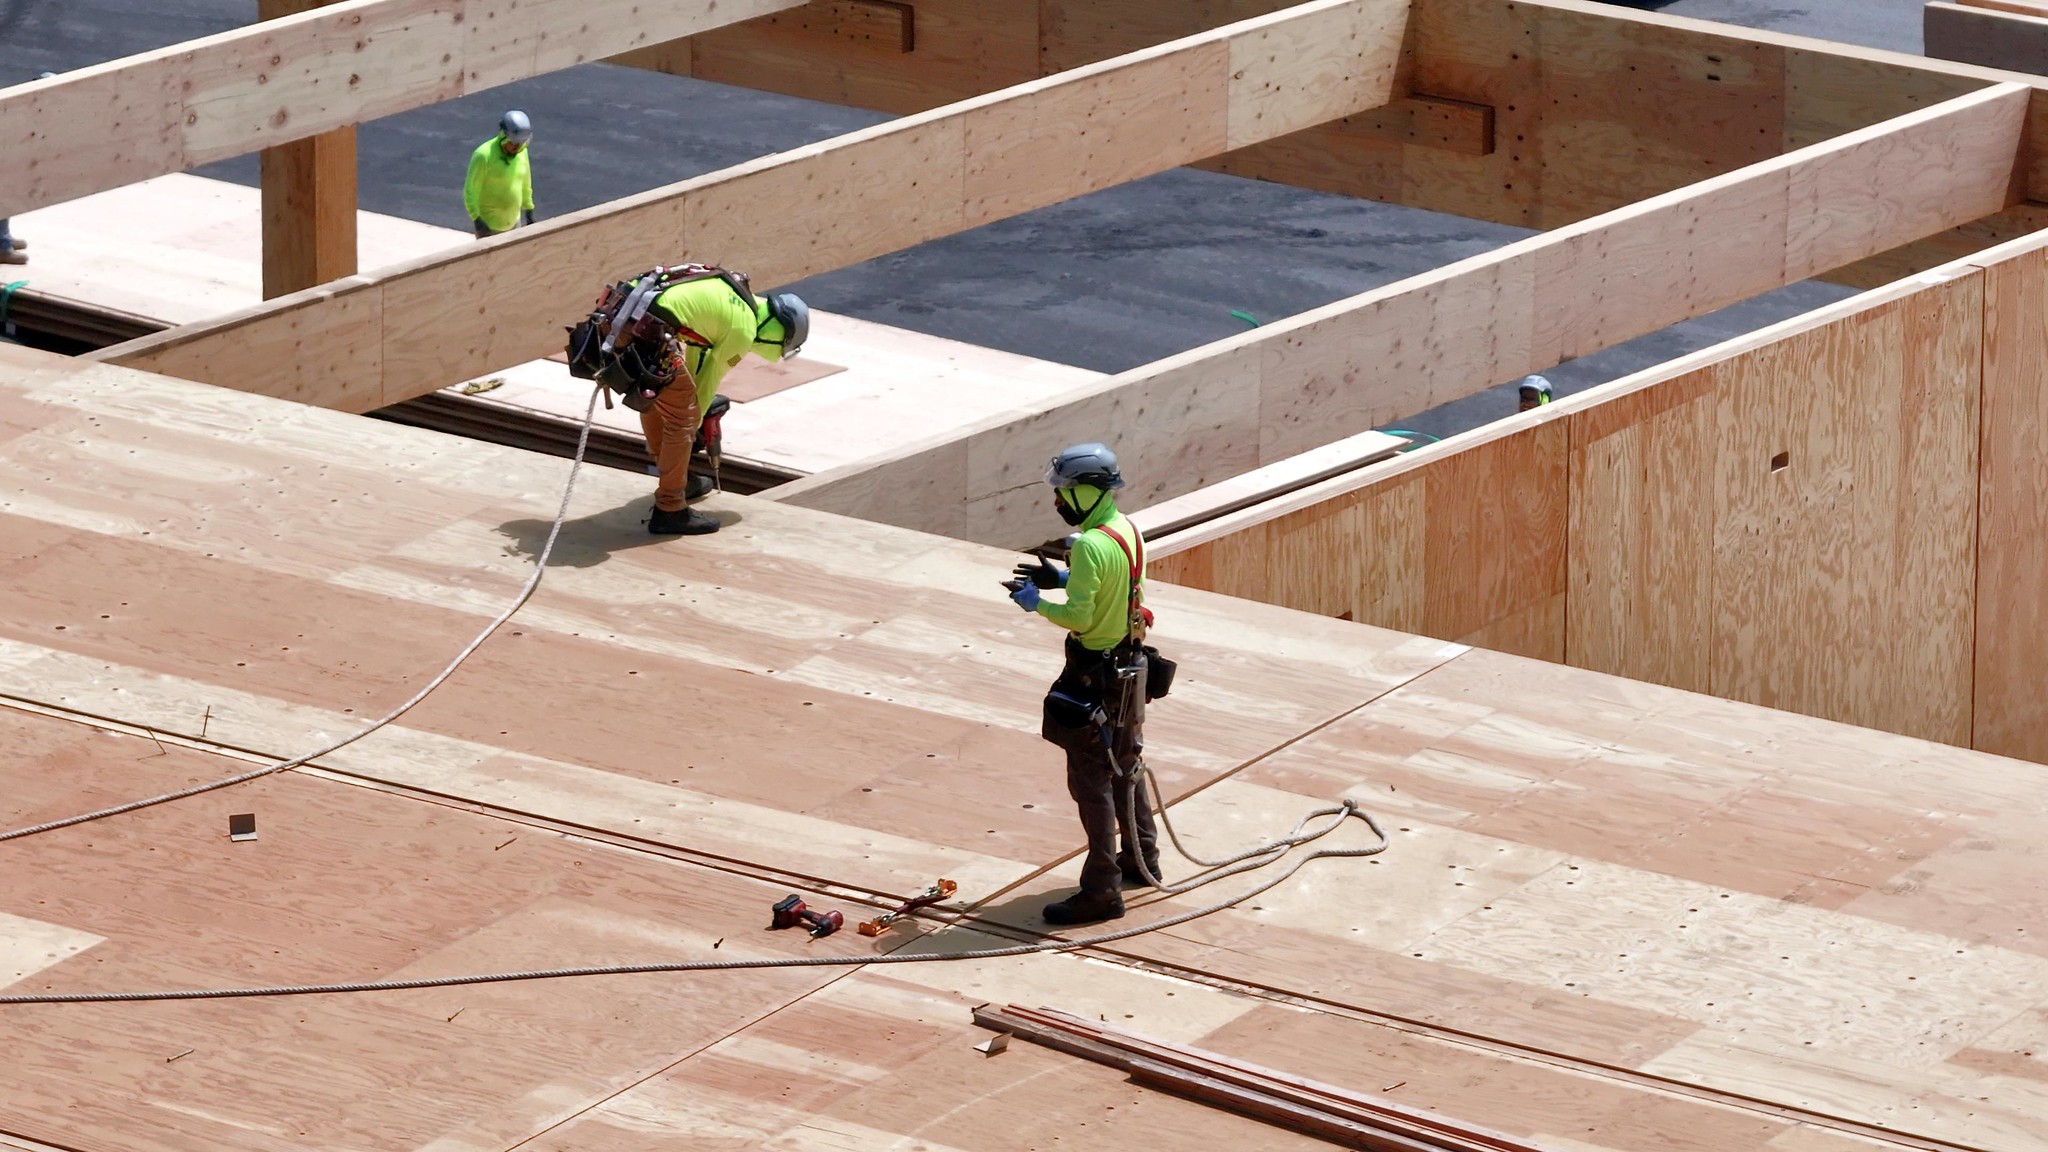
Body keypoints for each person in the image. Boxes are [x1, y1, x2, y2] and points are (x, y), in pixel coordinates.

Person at [1007, 442, 1159, 926]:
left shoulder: (1091, 542)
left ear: (1091, 490)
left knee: (1092, 780)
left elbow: (1081, 614)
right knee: (1126, 765)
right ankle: (1142, 860)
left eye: (1067, 492)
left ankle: (1101, 892)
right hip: (1129, 666)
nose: (1060, 503)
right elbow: (1112, 583)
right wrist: (1064, 577)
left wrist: (1038, 602)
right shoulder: (1124, 530)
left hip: (1096, 672)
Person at [568, 266, 809, 535]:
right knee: (682, 419)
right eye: (781, 346)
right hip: (642, 332)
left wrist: (697, 413)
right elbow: (707, 380)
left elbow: (697, 362)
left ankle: (679, 480)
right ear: (778, 331)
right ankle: (670, 509)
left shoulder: (735, 295)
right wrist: (695, 427)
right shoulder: (744, 329)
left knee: (661, 400)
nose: (774, 353)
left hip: (616, 318)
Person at [464, 110, 535, 239]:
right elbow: (470, 190)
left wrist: (528, 209)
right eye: (512, 144)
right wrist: (477, 219)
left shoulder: (521, 152)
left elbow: (525, 181)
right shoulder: (484, 155)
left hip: (514, 224)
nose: (516, 149)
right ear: (503, 135)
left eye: (520, 144)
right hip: (489, 228)